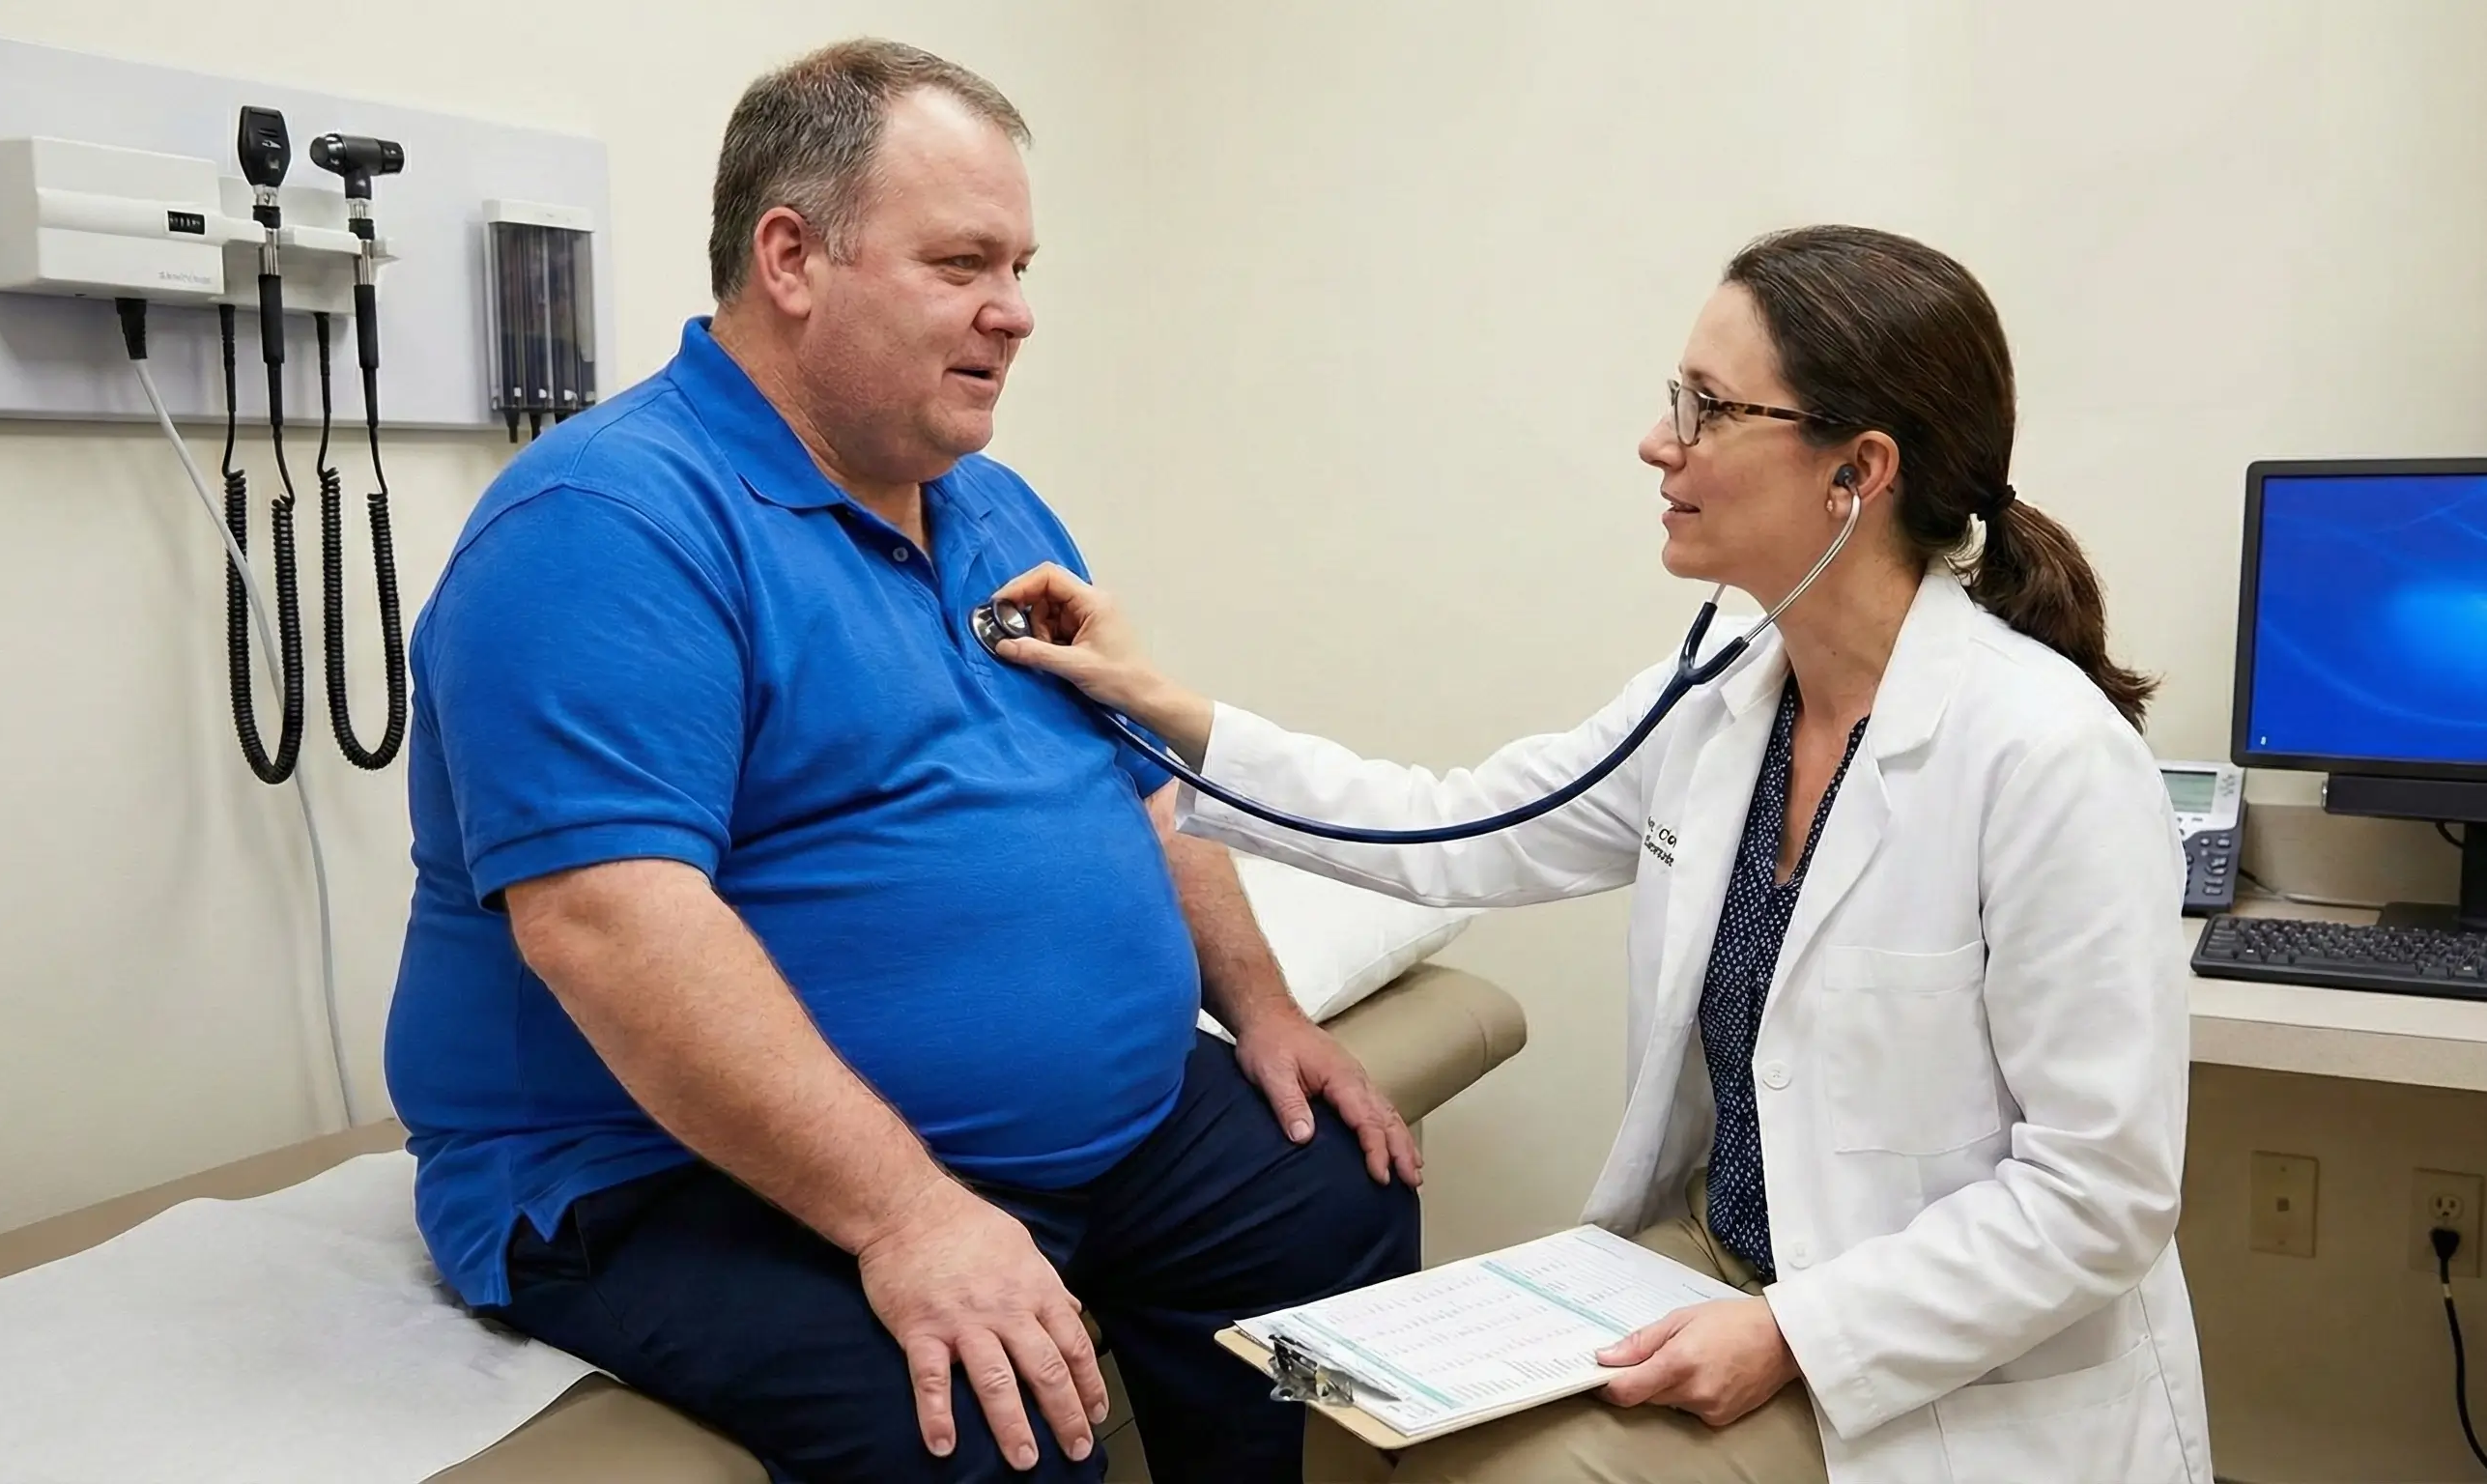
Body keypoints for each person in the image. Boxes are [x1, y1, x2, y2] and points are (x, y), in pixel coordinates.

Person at [989, 224, 2212, 1484]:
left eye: (1706, 407)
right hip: (1718, 1261)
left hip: (1934, 1353)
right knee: (1341, 1420)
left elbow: (2096, 1200)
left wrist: (1793, 1333)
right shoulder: (1725, 699)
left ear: (1856, 469)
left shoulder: (2045, 759)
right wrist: (1156, 705)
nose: (1657, 440)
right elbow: (1453, 827)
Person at [382, 39, 1420, 1484]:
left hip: (1070, 1132)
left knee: (1329, 1199)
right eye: (962, 265)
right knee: (987, 1425)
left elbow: (1133, 783)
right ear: (792, 258)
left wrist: (1266, 1011)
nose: (1016, 313)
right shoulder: (604, 528)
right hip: (667, 1170)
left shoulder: (984, 504)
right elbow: (611, 928)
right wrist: (907, 1218)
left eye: (1022, 265)